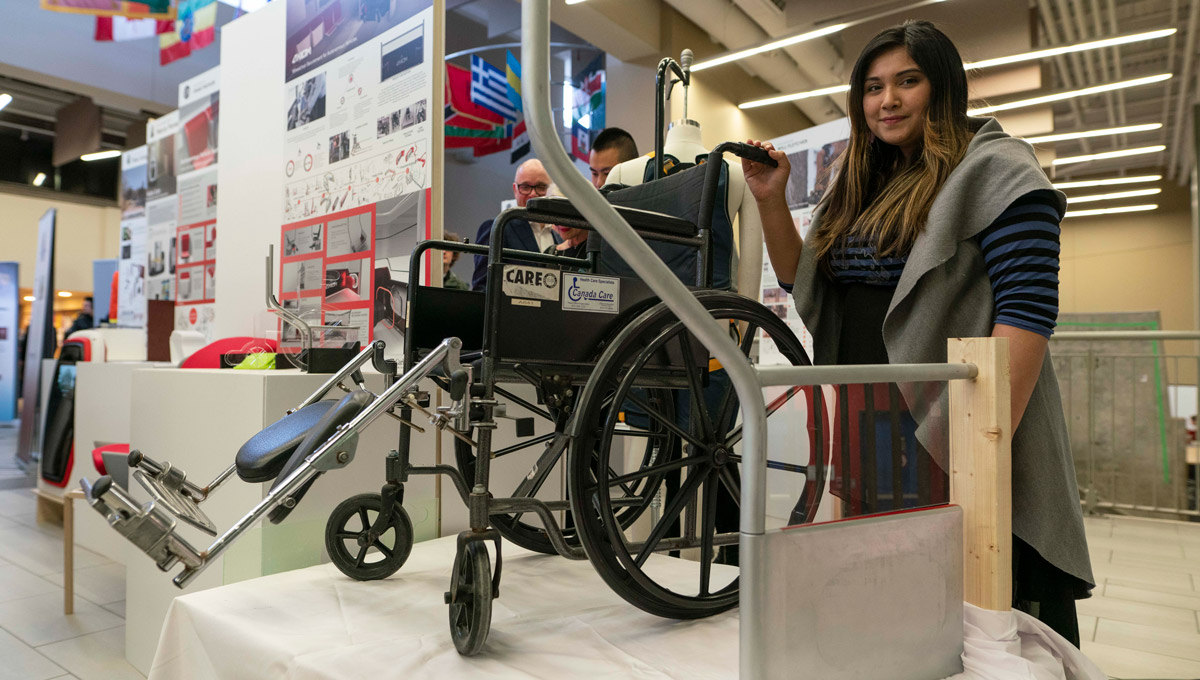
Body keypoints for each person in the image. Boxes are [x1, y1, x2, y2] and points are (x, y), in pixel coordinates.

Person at [741, 20, 1092, 645]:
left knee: (977, 607)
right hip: (869, 420)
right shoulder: (860, 182)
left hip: (952, 420)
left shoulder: (996, 170)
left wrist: (977, 448)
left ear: (945, 88)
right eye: (873, 88)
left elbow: (1029, 309)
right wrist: (772, 199)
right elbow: (810, 289)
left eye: (908, 81)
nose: (888, 101)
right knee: (892, 600)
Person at [471, 159, 560, 290]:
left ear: (550, 189)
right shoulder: (497, 228)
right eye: (525, 187)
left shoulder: (560, 236)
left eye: (541, 187)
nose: (533, 194)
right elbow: (483, 288)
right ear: (515, 189)